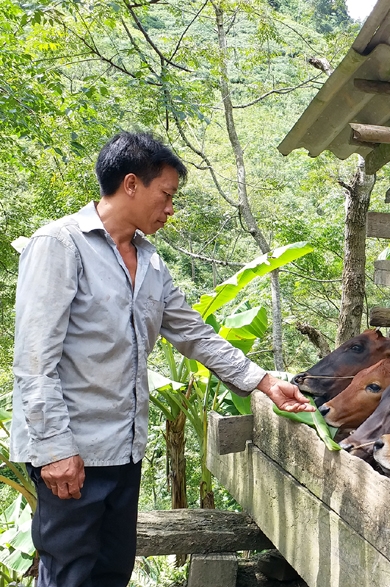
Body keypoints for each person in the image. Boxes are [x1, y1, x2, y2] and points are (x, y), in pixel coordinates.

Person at [11, 131, 315, 587]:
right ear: (131, 184)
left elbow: (193, 333)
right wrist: (55, 448)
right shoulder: (60, 245)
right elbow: (34, 359)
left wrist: (263, 381)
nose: (170, 209)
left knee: (113, 569)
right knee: (69, 574)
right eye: (166, 195)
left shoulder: (151, 262)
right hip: (71, 453)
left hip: (124, 449)